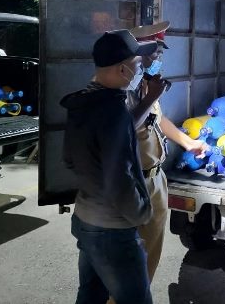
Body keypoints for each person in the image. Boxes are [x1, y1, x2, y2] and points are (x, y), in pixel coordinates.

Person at [61, 29, 158, 304]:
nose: (141, 68)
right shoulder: (114, 112)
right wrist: (141, 214)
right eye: (138, 64)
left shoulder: (81, 102)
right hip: (113, 231)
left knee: (90, 296)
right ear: (123, 69)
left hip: (86, 219)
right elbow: (120, 179)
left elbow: (69, 159)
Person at [128, 21, 209, 282]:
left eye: (160, 53)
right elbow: (123, 129)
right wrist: (151, 96)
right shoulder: (126, 87)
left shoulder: (145, 84)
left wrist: (187, 142)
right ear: (137, 53)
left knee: (149, 256)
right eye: (154, 53)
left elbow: (157, 119)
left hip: (154, 179)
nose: (158, 59)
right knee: (130, 263)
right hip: (134, 182)